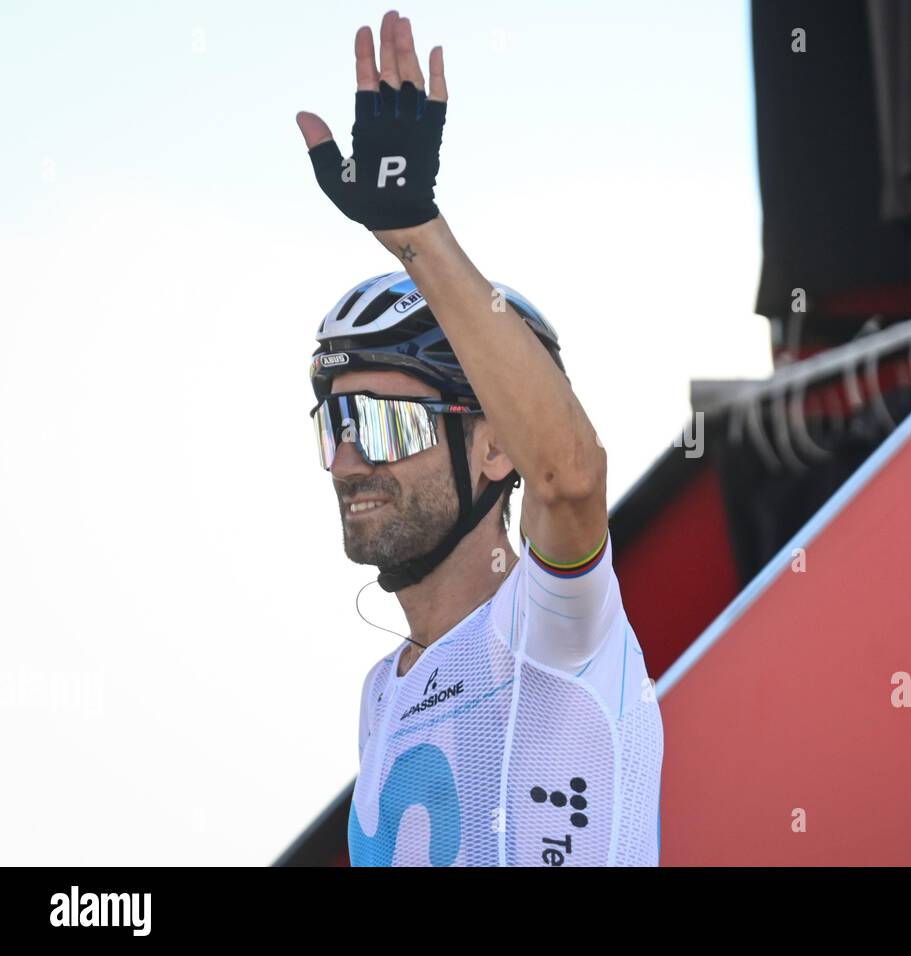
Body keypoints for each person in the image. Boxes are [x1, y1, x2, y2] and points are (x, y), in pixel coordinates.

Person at [296, 10, 662, 866]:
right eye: (336, 423)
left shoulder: (551, 630)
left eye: (386, 423)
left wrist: (419, 235)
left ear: (496, 450)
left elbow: (571, 479)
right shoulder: (379, 696)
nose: (350, 460)